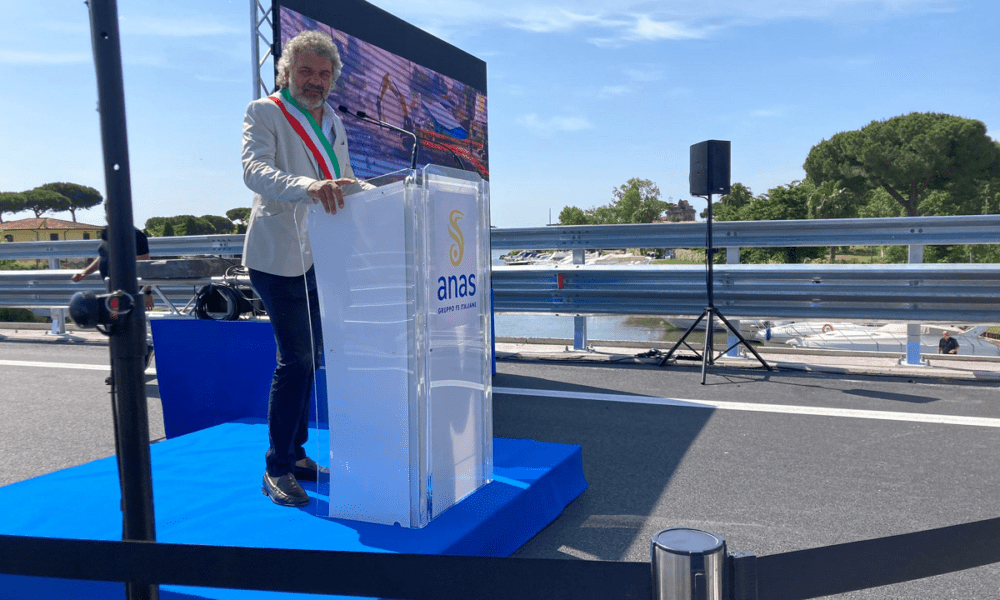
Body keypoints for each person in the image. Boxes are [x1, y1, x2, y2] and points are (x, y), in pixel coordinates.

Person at [242, 30, 359, 507]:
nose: (315, 81)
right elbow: (255, 170)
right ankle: (276, 467)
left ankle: (297, 453)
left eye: (324, 74)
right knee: (297, 358)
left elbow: (346, 182)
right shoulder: (264, 112)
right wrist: (308, 185)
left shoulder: (333, 121)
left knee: (312, 356)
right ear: (286, 72)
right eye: (306, 71)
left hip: (323, 255)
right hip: (278, 256)